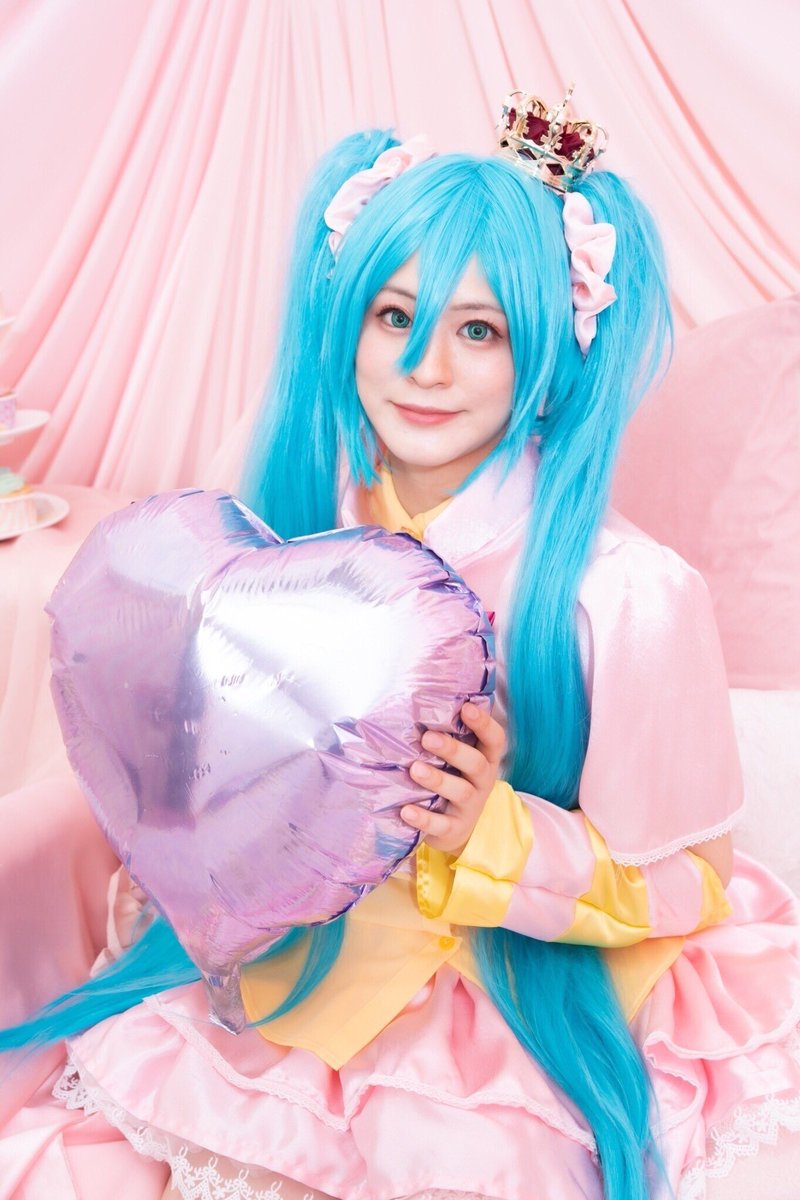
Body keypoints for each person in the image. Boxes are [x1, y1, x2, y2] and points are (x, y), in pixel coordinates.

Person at [2, 90, 800, 1200]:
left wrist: (491, 828)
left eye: (478, 331)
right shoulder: (293, 517)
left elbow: (687, 880)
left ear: (551, 354)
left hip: (513, 977)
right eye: (393, 316)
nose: (424, 367)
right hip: (299, 941)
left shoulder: (624, 593)